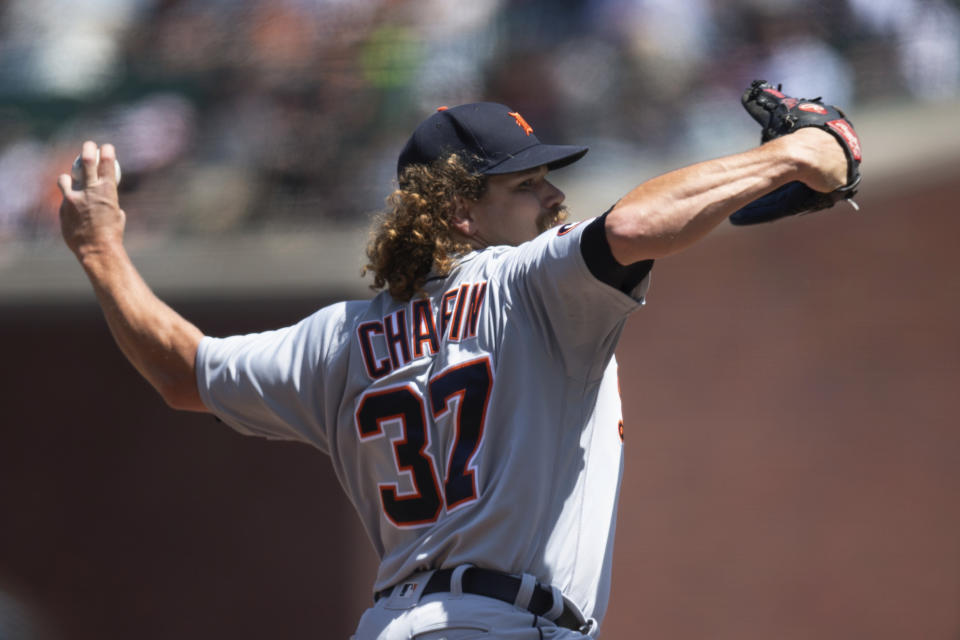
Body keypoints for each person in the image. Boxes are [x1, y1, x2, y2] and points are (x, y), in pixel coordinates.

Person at [57, 99, 850, 639]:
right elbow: (640, 221)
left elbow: (180, 371)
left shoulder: (339, 339)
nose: (553, 196)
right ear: (458, 211)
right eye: (527, 183)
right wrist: (798, 151)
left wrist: (100, 250)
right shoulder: (528, 283)